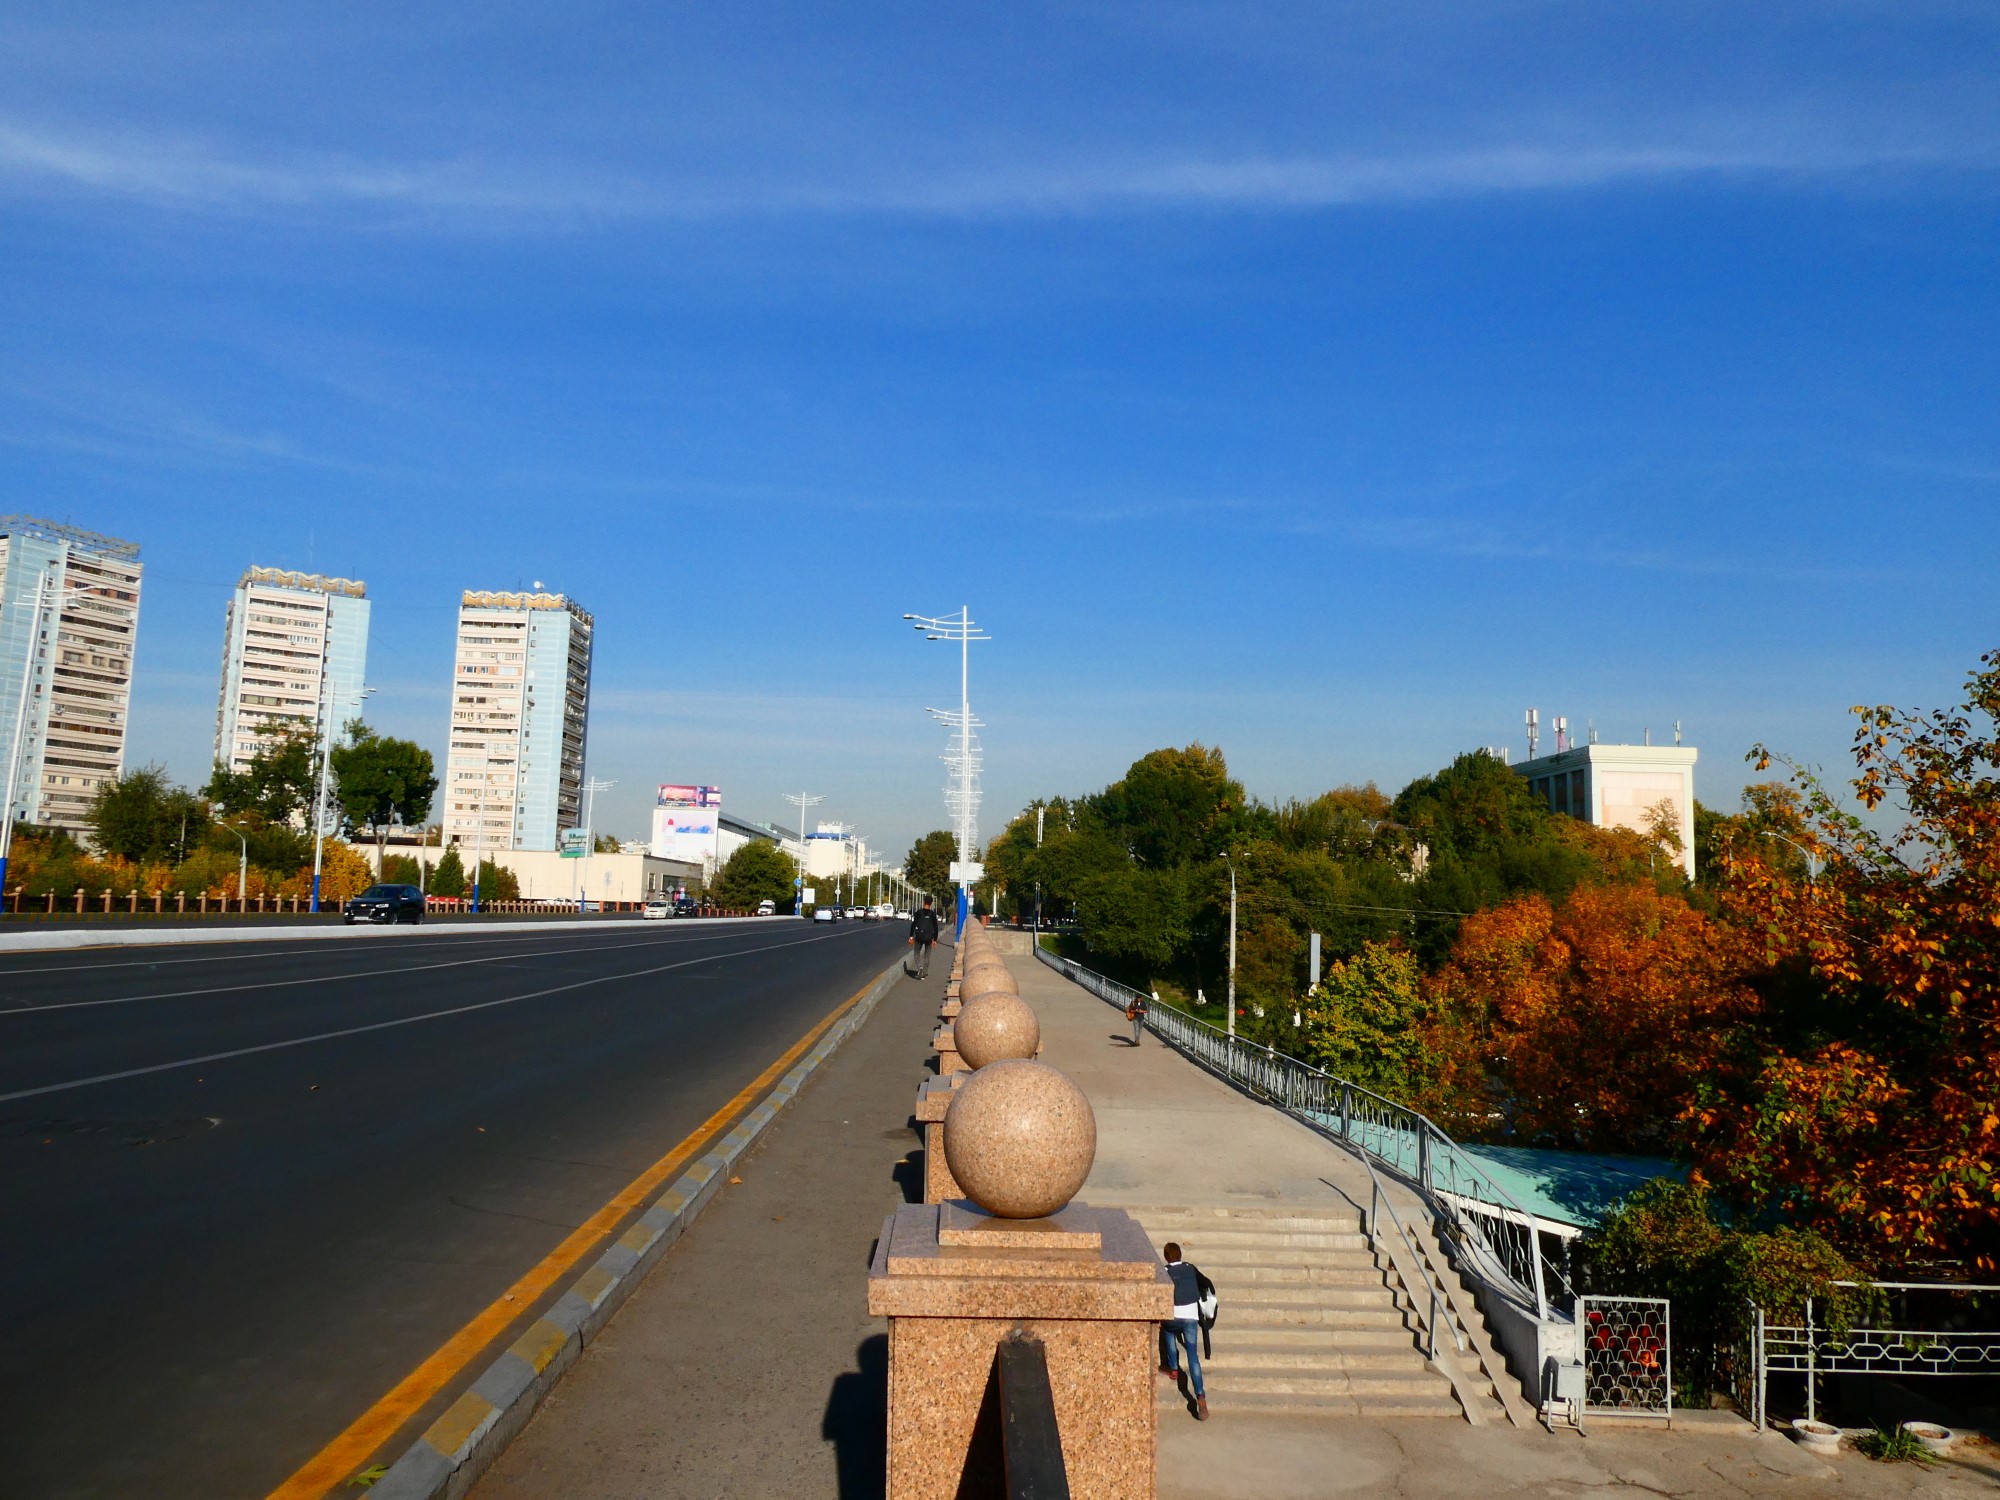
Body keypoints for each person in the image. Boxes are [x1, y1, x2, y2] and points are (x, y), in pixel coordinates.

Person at [1158, 1241, 1210, 1420]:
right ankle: (1200, 1396)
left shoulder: (1164, 1271)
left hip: (1173, 1317)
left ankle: (1173, 1368)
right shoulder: (1190, 1268)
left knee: (1168, 1332)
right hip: (1191, 1317)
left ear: (1166, 1257)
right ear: (1180, 1255)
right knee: (1193, 1355)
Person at [907, 896, 942, 978]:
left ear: (923, 902)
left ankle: (920, 968)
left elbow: (913, 924)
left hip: (919, 936)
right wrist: (935, 940)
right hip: (929, 937)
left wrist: (911, 936)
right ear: (931, 903)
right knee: (927, 955)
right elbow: (935, 927)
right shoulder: (933, 914)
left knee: (916, 953)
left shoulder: (918, 912)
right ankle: (924, 972)